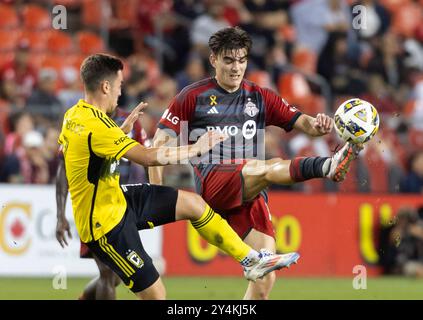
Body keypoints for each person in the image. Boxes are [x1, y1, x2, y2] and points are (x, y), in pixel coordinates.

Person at [58, 53, 299, 300]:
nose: (120, 93)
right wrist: (196, 148)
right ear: (105, 86)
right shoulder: (96, 127)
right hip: (105, 225)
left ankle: (251, 261)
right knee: (155, 295)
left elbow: (88, 155)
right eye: (119, 86)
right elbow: (149, 157)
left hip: (117, 200)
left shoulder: (76, 116)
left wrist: (119, 133)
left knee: (193, 204)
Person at [149, 26, 362, 300]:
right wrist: (156, 192)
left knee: (264, 279)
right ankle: (327, 167)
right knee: (265, 166)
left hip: (250, 193)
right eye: (228, 60)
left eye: (242, 60)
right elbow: (156, 147)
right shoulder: (192, 96)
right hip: (214, 182)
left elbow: (304, 123)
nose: (236, 67)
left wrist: (320, 123)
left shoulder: (260, 96)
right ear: (213, 59)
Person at [56, 106, 150, 300]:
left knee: (114, 276)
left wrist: (154, 190)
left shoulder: (130, 122)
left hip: (120, 206)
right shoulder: (81, 121)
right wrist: (60, 215)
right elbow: (63, 168)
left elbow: (149, 155)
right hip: (93, 207)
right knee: (107, 273)